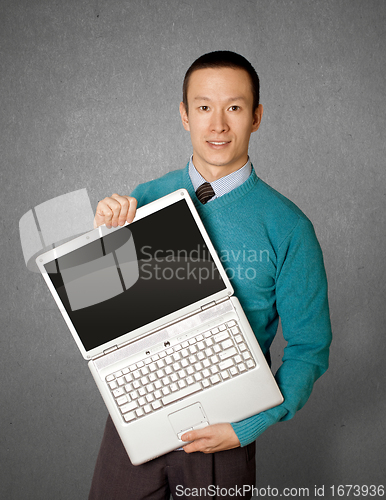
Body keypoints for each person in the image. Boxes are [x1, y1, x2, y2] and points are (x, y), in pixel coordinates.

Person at [88, 51, 332, 499]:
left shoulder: (290, 227)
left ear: (256, 117)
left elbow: (309, 349)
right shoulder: (145, 197)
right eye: (204, 108)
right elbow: (111, 311)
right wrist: (105, 235)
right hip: (142, 403)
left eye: (234, 108)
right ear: (185, 115)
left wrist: (250, 425)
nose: (218, 124)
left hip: (225, 425)